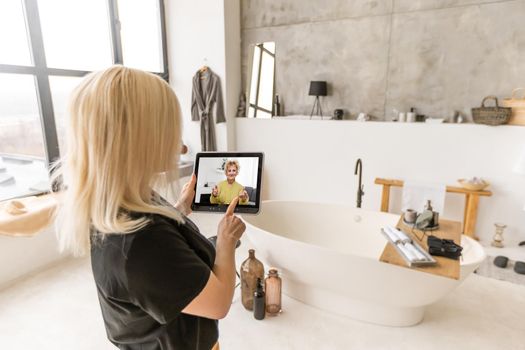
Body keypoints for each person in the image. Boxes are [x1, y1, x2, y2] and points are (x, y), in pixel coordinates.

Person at [52, 65, 245, 350]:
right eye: (168, 129)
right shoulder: (142, 244)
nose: (178, 145)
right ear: (138, 139)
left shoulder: (118, 201)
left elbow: (159, 261)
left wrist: (180, 208)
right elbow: (217, 303)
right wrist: (226, 241)